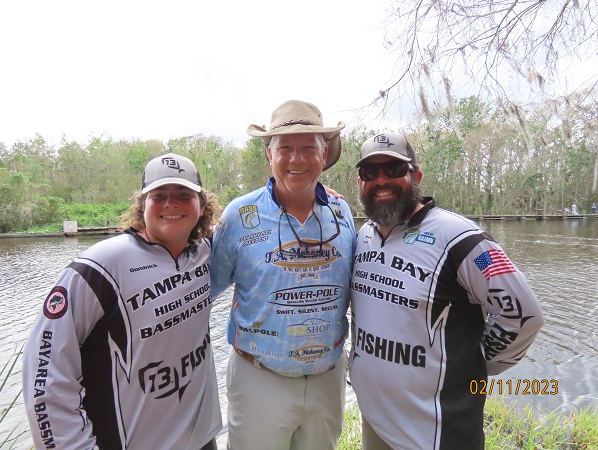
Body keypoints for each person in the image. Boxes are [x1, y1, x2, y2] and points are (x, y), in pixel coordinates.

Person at [348, 133, 544, 450]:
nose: (381, 180)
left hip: (436, 432)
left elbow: (522, 315)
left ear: (416, 176)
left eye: (394, 169)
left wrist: (474, 364)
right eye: (370, 172)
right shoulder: (363, 236)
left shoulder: (463, 239)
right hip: (375, 421)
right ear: (360, 183)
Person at [22, 153, 222, 450]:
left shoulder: (206, 251)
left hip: (202, 439)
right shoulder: (100, 266)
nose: (171, 203)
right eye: (159, 195)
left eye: (184, 194)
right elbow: (45, 370)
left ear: (202, 207)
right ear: (143, 206)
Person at [210, 100, 356, 450]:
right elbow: (203, 292)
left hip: (327, 378)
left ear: (324, 155)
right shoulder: (238, 216)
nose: (296, 159)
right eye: (285, 148)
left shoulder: (342, 212)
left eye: (309, 148)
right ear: (269, 155)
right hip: (259, 377)